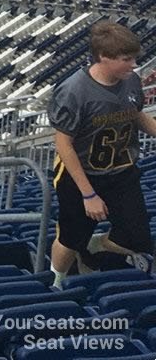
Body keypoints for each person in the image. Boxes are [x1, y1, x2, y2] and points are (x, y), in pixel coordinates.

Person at [49, 22, 156, 281]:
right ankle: (56, 281)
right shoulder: (74, 91)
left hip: (121, 169)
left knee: (138, 239)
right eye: (126, 59)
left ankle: (95, 245)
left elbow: (136, 114)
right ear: (104, 58)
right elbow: (64, 144)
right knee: (71, 238)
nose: (133, 65)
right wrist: (88, 194)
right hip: (82, 173)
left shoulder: (130, 81)